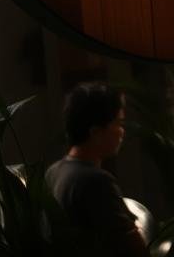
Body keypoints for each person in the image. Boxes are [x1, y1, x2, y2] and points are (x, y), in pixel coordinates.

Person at [44, 82, 145, 257]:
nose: (122, 132)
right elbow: (134, 248)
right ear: (96, 131)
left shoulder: (53, 172)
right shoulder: (96, 181)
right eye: (118, 123)